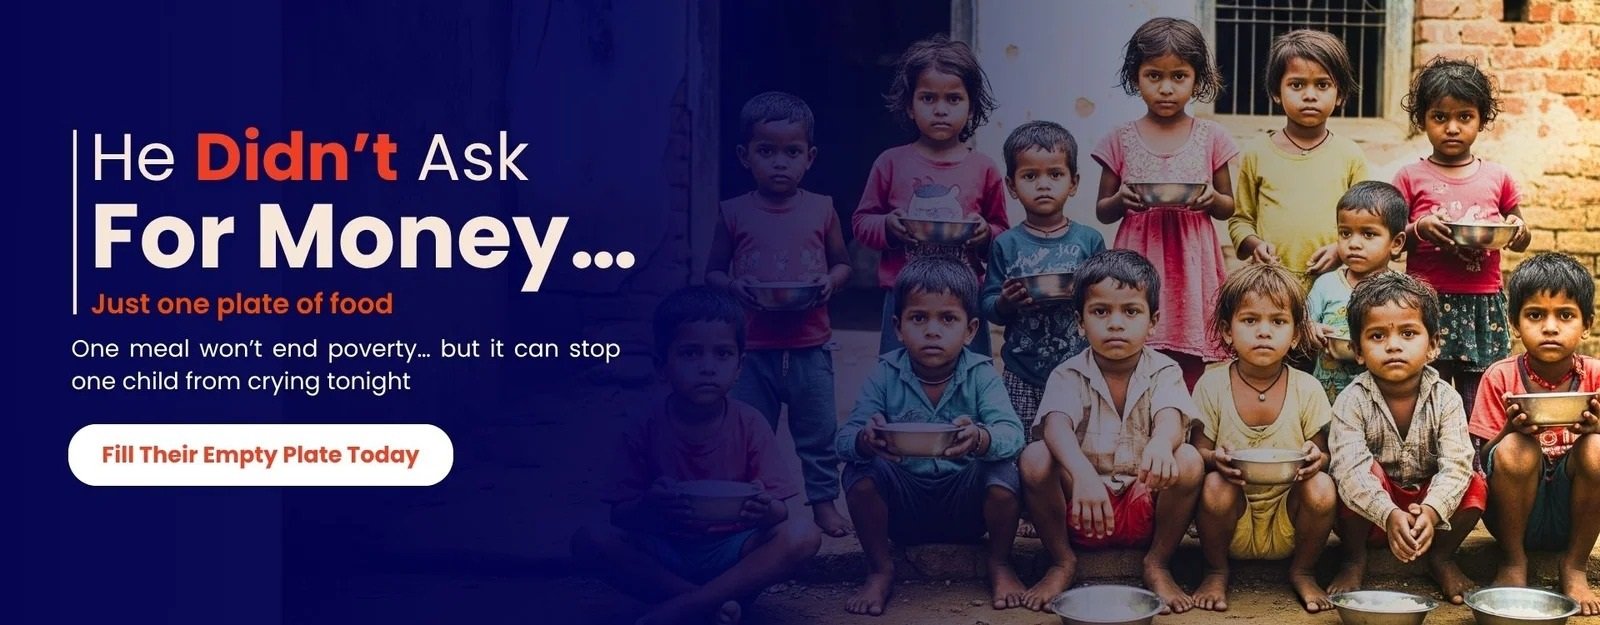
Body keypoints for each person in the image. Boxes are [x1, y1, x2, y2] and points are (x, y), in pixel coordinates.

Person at [571, 287, 820, 625]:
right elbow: (621, 516)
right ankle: (707, 603)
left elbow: (779, 512)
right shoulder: (643, 426)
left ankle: (682, 608)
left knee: (804, 535)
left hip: (734, 552)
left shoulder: (749, 422)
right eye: (690, 354)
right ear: (662, 366)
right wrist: (649, 507)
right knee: (591, 539)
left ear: (739, 366)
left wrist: (762, 510)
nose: (707, 367)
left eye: (722, 354)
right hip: (664, 550)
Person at [834, 258, 1028, 616]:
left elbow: (1012, 434)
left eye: (948, 319)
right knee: (859, 474)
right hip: (903, 509)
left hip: (966, 508)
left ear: (970, 330)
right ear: (898, 327)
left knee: (1004, 470)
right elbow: (843, 439)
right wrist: (866, 438)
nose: (932, 330)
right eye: (918, 318)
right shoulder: (885, 374)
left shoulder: (981, 374)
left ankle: (1000, 562)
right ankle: (879, 569)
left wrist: (981, 438)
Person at [1017, 249, 1206, 614]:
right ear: (1080, 322)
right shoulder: (1068, 373)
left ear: (1153, 321)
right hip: (1083, 507)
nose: (1115, 324)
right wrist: (1083, 474)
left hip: (1143, 506)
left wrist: (1162, 444)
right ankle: (1061, 561)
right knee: (1035, 456)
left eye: (1130, 311)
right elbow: (1055, 423)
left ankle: (1157, 563)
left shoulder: (1164, 370)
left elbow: (1171, 415)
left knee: (1188, 458)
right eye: (1100, 311)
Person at [706, 91, 852, 537]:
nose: (779, 163)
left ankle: (823, 502)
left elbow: (842, 263)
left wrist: (830, 282)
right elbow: (712, 271)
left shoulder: (821, 208)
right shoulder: (733, 212)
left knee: (818, 433)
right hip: (753, 347)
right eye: (766, 152)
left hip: (810, 345)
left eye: (791, 152)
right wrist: (734, 286)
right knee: (751, 431)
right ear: (744, 156)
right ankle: (753, 503)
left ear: (809, 157)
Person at [1093, 17, 1240, 390]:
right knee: (1135, 345)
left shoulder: (1211, 137)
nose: (1166, 88)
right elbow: (1103, 210)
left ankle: (1185, 430)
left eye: (1179, 76)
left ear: (1197, 79)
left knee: (1189, 350)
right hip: (1140, 256)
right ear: (1135, 77)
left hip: (1192, 262)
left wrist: (1211, 199)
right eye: (1153, 76)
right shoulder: (1120, 139)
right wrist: (1121, 199)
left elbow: (1228, 205)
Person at [1327, 272, 1486, 605]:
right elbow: (1349, 471)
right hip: (1369, 517)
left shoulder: (1446, 398)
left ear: (1432, 345)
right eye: (1377, 335)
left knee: (1473, 485)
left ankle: (1441, 558)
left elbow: (1456, 465)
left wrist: (1430, 511)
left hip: (1428, 516)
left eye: (1408, 333)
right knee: (1354, 475)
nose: (1393, 345)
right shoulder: (1350, 401)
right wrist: (1387, 513)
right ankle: (1354, 559)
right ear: (1357, 350)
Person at [1191, 264, 1337, 613]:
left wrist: (1317, 458)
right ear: (1227, 331)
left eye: (1278, 321)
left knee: (1322, 488)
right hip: (1232, 516)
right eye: (1250, 320)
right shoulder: (1212, 385)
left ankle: (1303, 570)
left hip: (1289, 516)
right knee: (1213, 484)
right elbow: (1197, 451)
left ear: (1297, 334)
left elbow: (1322, 455)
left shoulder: (1307, 387)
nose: (1264, 332)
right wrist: (1216, 459)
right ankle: (1215, 570)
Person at [853, 34, 1008, 356]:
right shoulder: (890, 162)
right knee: (898, 379)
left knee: (970, 379)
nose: (940, 110)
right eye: (928, 98)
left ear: (972, 106)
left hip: (964, 298)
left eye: (953, 99)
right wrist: (887, 227)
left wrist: (984, 235)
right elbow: (861, 223)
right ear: (910, 106)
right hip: (905, 297)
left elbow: (1002, 233)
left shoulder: (984, 168)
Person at [1395, 56, 1532, 413]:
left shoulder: (1497, 177)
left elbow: (1519, 230)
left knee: (1480, 394)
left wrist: (1518, 230)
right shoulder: (1410, 177)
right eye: (1440, 117)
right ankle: (1433, 464)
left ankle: (1478, 465)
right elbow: (1391, 241)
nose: (1452, 128)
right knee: (1428, 392)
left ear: (1481, 120)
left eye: (1464, 117)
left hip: (1482, 302)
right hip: (1427, 301)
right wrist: (1419, 229)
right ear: (1422, 119)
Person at [1468, 252, 1600, 615]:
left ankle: (1573, 565)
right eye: (1535, 315)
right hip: (1514, 516)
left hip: (1575, 515)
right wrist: (1511, 429)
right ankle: (1513, 561)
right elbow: (1482, 461)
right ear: (1515, 323)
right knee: (1514, 447)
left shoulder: (1595, 376)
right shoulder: (1500, 376)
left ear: (1586, 324)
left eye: (1566, 315)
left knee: (1598, 448)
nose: (1551, 327)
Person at [982, 120, 1106, 441]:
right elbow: (988, 306)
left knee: (1075, 444)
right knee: (1022, 447)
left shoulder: (1088, 240)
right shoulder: (1006, 244)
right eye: (1029, 176)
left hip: (1077, 368)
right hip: (1022, 371)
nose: (1043, 185)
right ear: (1011, 186)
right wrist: (1005, 303)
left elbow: (1103, 299)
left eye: (1055, 174)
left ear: (1073, 182)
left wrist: (1084, 293)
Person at [1229, 28, 1369, 291]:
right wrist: (1255, 245)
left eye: (1322, 85)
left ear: (1340, 95)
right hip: (1272, 285)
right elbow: (1240, 220)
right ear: (1275, 92)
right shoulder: (1257, 153)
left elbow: (1367, 224)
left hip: (1335, 286)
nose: (1309, 95)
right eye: (1296, 84)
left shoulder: (1350, 156)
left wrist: (1340, 250)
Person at [1308, 181, 1409, 403]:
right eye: (1345, 233)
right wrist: (1310, 330)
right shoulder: (1326, 285)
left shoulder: (1403, 291)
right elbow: (1300, 327)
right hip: (1328, 399)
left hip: (1382, 401)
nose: (1353, 244)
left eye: (1368, 234)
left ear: (1396, 243)